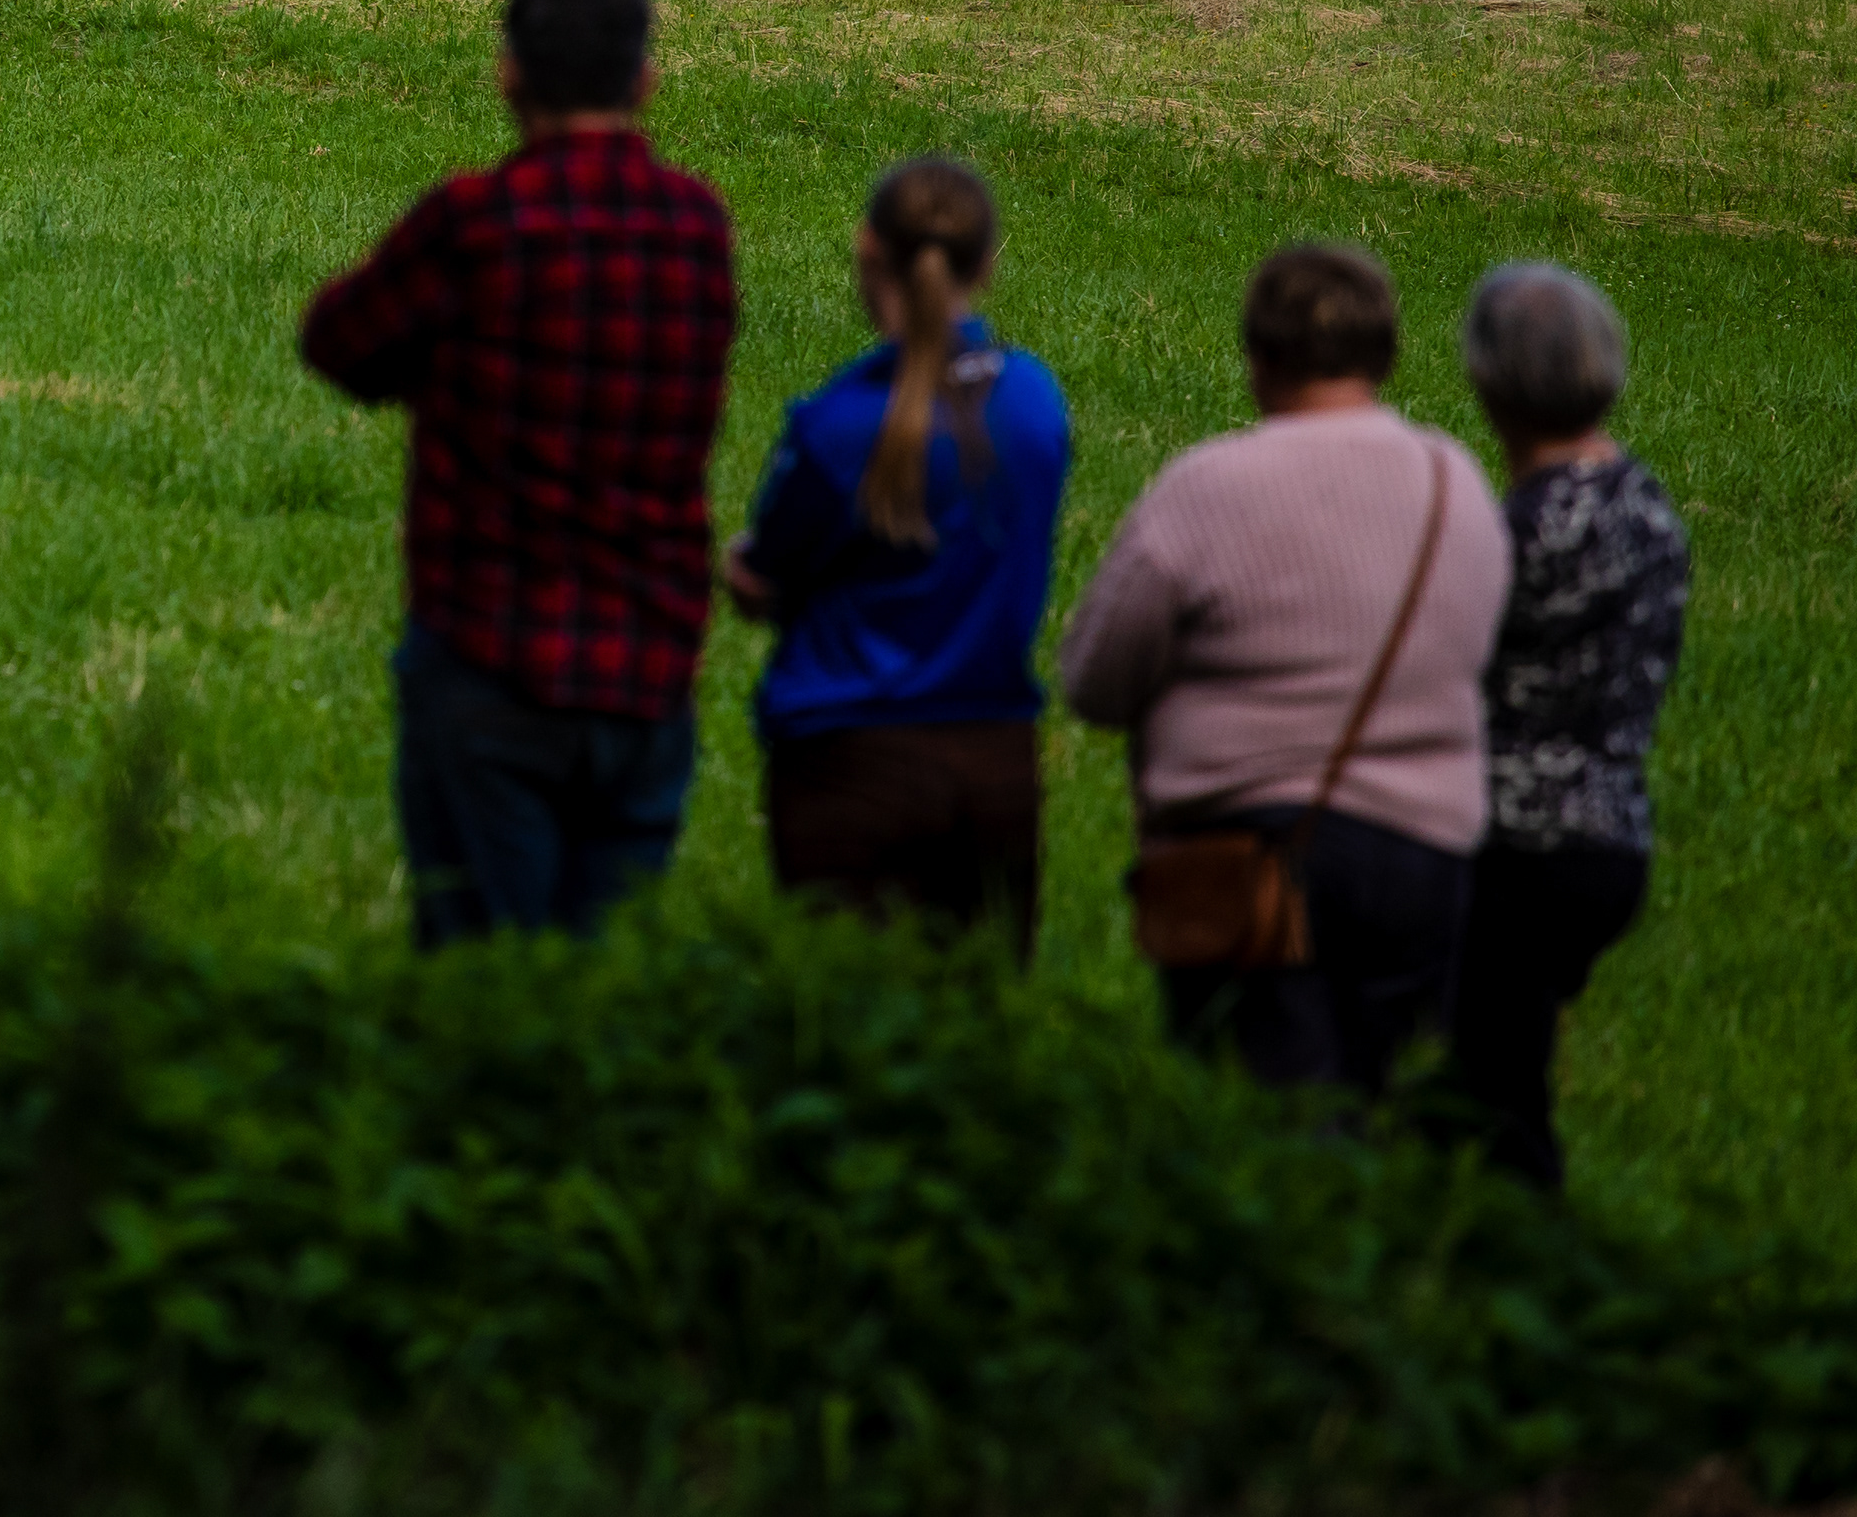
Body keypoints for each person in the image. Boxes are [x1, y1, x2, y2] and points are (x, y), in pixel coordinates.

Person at [299, 0, 739, 948]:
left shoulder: (477, 224)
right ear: (644, 80)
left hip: (489, 659)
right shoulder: (695, 228)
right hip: (647, 667)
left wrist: (440, 368)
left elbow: (339, 341)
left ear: (508, 74)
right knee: (605, 984)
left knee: (485, 977)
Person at [1059, 244, 1512, 1093]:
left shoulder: (1211, 486)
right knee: (1380, 1103)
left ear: (1259, 357)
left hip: (1255, 859)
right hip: (1428, 858)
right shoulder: (1456, 481)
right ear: (1385, 355)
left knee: (1269, 1117)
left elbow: (1095, 680)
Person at [721, 158, 1071, 956]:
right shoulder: (1034, 405)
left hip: (848, 760)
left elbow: (761, 579)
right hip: (996, 761)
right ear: (986, 266)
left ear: (866, 248)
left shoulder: (838, 427)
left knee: (845, 1009)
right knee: (982, 1012)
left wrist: (741, 566)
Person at [1447, 262, 1686, 1189]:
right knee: (1487, 1080)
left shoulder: (1523, 531)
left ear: (1488, 382)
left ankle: (1523, 1256)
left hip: (1517, 848)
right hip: (1612, 834)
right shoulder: (1647, 506)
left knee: (1489, 1108)